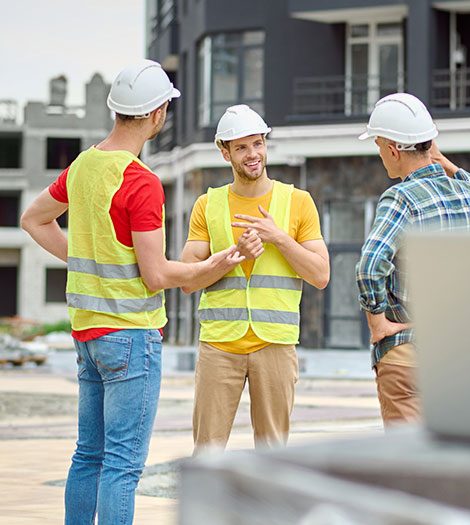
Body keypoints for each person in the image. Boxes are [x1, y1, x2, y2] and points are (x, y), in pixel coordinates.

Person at [20, 60, 243, 525]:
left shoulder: (83, 167)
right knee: (122, 465)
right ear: (158, 113)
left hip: (87, 335)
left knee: (88, 456)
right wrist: (212, 265)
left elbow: (34, 219)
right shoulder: (141, 182)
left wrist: (83, 259)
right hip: (130, 337)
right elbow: (157, 274)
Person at [180, 104, 330, 452]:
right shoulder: (208, 204)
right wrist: (234, 256)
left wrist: (278, 237)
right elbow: (187, 279)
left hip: (275, 343)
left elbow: (320, 274)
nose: (253, 154)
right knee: (208, 453)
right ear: (225, 152)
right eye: (242, 147)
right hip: (220, 345)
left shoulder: (298, 202)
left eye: (258, 144)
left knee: (273, 453)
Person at [355, 93, 470, 427]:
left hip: (408, 351)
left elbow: (370, 264)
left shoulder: (400, 197)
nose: (380, 155)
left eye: (379, 146)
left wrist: (377, 322)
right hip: (460, 355)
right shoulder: (469, 199)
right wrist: (442, 160)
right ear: (428, 144)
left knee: (411, 467)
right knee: (455, 460)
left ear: (392, 149)